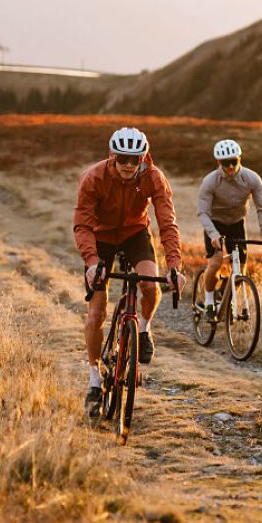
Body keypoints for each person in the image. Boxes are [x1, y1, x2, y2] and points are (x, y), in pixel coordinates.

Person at [74, 126, 182, 416]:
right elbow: (82, 225)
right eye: (123, 158)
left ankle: (143, 328)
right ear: (112, 156)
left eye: (135, 159)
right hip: (101, 237)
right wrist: (92, 262)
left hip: (135, 233)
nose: (128, 165)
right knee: (97, 313)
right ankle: (95, 379)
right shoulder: (94, 177)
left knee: (150, 285)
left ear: (143, 158)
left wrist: (174, 266)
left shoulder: (154, 177)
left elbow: (167, 223)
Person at [197, 139, 262, 321]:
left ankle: (225, 294)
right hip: (214, 223)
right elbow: (202, 212)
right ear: (219, 163)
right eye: (225, 163)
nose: (231, 166)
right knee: (215, 263)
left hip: (237, 223)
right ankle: (209, 300)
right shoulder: (210, 181)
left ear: (240, 159)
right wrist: (213, 234)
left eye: (234, 161)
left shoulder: (252, 178)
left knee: (240, 270)